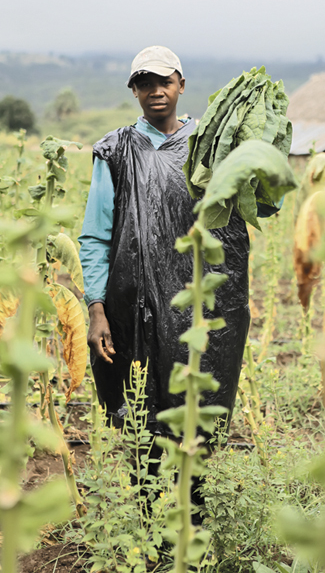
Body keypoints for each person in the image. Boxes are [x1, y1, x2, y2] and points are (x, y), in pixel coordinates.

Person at [79, 46, 251, 444]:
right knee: (142, 421)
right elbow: (96, 235)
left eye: (164, 81)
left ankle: (193, 503)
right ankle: (148, 503)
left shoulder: (209, 147)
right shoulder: (115, 151)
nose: (155, 90)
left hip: (200, 305)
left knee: (198, 414)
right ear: (134, 91)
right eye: (145, 83)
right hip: (133, 309)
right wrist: (97, 309)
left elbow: (257, 207)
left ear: (181, 86)